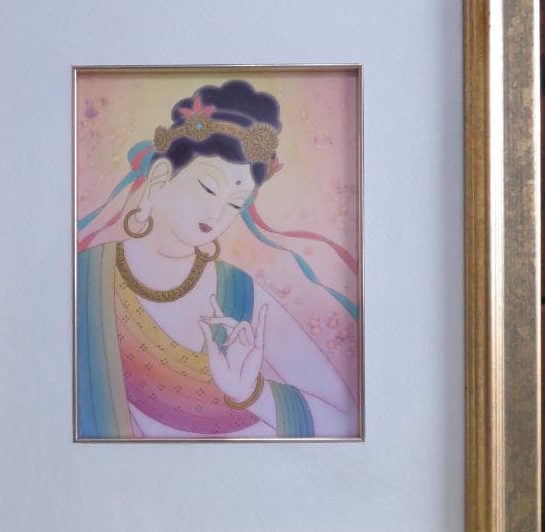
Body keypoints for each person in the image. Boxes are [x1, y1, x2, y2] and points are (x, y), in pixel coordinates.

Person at [77, 79, 357, 439]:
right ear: (160, 178)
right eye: (208, 187)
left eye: (235, 204)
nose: (217, 212)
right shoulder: (87, 280)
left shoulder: (238, 295)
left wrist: (252, 394)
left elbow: (346, 420)